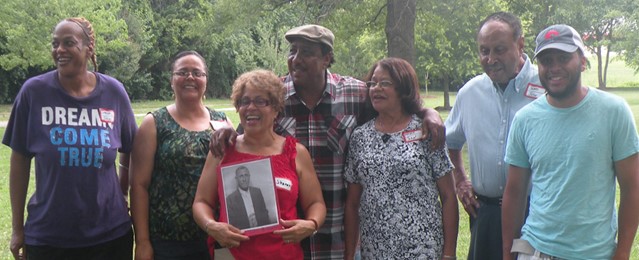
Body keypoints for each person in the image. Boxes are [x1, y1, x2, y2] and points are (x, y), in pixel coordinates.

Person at [210, 24, 445, 259]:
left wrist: (427, 113)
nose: (296, 59)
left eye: (307, 52)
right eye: (292, 51)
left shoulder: (355, 94)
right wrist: (225, 132)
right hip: (283, 239)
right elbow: (247, 137)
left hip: (337, 235)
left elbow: (395, 104)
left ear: (327, 58)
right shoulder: (272, 97)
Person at [3, 17, 137, 260]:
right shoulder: (33, 93)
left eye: (69, 43)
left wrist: (122, 190)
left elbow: (130, 148)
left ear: (88, 49)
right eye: (55, 44)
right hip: (49, 237)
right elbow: (19, 162)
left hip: (110, 236)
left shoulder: (114, 92)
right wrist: (17, 228)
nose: (59, 50)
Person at [502, 24, 639, 260]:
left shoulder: (614, 111)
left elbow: (632, 187)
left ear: (582, 61)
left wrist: (623, 252)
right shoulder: (524, 120)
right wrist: (508, 254)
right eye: (546, 60)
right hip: (535, 251)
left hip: (594, 254)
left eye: (564, 58)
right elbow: (514, 192)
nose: (554, 67)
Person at [192, 69, 326, 260]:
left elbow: (316, 203)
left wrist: (311, 224)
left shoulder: (295, 152)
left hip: (283, 254)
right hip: (232, 254)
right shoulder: (222, 151)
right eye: (244, 101)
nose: (251, 107)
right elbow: (201, 202)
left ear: (276, 108)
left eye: (260, 101)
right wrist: (211, 226)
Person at [444, 12, 543, 260]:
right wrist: (460, 180)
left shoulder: (545, 88)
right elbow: (450, 141)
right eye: (484, 51)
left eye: (499, 50)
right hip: (486, 214)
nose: (490, 59)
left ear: (520, 45)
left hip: (534, 214)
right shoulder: (470, 93)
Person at [343, 57, 458, 259]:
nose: (376, 88)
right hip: (375, 250)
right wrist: (349, 254)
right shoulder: (360, 137)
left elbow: (448, 195)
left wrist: (448, 254)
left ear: (402, 88)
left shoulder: (426, 130)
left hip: (424, 249)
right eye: (373, 83)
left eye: (385, 83)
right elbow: (353, 203)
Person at [129, 51, 232, 259]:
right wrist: (142, 242)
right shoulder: (154, 123)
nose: (190, 78)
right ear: (172, 80)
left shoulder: (222, 121)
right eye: (182, 72)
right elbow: (139, 185)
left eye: (197, 73)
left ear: (206, 80)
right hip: (169, 241)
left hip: (217, 236)